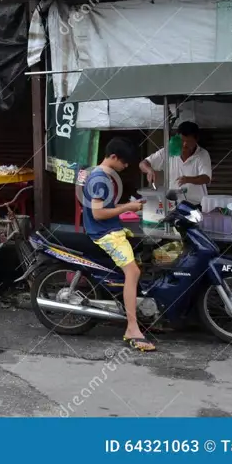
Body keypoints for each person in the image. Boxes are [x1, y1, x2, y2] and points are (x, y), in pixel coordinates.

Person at [82, 137, 154, 352]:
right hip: (105, 233)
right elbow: (98, 213)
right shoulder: (100, 179)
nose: (126, 166)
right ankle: (132, 328)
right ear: (113, 157)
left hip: (111, 229)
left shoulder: (101, 174)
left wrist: (129, 205)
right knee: (133, 272)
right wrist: (126, 208)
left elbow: (106, 206)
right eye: (124, 162)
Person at [139, 121, 212, 205]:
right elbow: (143, 164)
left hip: (196, 204)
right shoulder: (168, 151)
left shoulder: (202, 154)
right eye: (182, 140)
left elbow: (206, 178)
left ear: (196, 140)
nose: (184, 145)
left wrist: (188, 179)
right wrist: (149, 170)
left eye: (188, 141)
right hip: (172, 205)